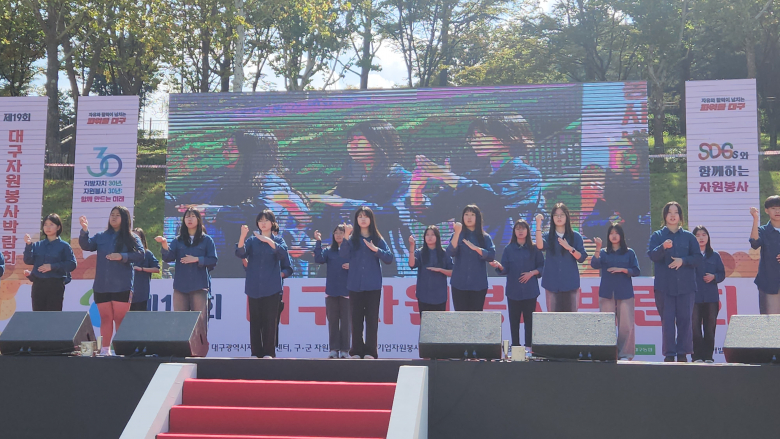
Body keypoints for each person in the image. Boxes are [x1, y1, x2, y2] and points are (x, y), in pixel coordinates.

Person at [412, 114, 544, 257]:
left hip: (509, 259)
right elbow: (434, 214)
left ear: (508, 137)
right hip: (470, 260)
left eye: (482, 136)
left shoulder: (528, 175)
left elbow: (492, 197)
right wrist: (416, 191)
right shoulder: (471, 176)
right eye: (472, 138)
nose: (475, 142)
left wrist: (445, 175)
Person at [315, 120, 414, 277]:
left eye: (360, 140)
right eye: (350, 141)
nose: (352, 145)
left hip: (387, 265)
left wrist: (344, 203)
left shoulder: (402, 177)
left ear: (379, 141)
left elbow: (392, 214)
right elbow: (326, 222)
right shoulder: (347, 182)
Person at [79, 207, 144, 355]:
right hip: (102, 285)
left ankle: (121, 349)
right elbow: (87, 245)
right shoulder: (101, 236)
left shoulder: (132, 237)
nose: (113, 217)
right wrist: (84, 230)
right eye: (112, 215)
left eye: (117, 215)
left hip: (122, 285)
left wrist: (122, 256)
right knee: (105, 318)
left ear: (125, 218)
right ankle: (105, 349)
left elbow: (141, 254)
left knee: (120, 318)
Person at [157, 207, 217, 357]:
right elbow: (168, 257)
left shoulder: (206, 240)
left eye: (192, 216)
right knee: (180, 320)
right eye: (187, 217)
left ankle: (200, 354)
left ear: (198, 219)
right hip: (181, 286)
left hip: (199, 286)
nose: (189, 219)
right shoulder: (178, 240)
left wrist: (197, 259)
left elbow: (213, 260)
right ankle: (181, 352)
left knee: (200, 322)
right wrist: (164, 244)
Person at [647, 202, 702, 362]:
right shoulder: (657, 236)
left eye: (676, 212)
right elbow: (652, 256)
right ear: (665, 216)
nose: (672, 215)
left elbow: (698, 258)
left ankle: (683, 354)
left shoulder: (689, 237)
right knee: (667, 322)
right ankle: (669, 355)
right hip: (664, 287)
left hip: (686, 286)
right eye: (669, 212)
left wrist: (682, 261)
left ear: (680, 216)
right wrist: (663, 247)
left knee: (685, 321)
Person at [236, 209, 292, 358]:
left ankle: (269, 352)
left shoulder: (279, 241)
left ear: (272, 223)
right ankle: (255, 352)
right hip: (254, 287)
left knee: (270, 321)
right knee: (255, 321)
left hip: (272, 288)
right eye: (260, 221)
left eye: (266, 220)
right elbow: (240, 253)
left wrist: (268, 241)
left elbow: (284, 257)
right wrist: (242, 236)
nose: (263, 223)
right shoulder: (252, 241)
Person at [340, 206, 394, 359]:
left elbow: (389, 258)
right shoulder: (352, 239)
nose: (363, 219)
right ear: (356, 220)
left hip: (373, 285)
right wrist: (346, 236)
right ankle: (356, 351)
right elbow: (343, 254)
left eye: (366, 216)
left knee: (371, 319)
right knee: (356, 319)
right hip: (355, 284)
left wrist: (376, 249)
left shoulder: (377, 238)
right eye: (360, 216)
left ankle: (371, 351)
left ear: (371, 219)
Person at [489, 220, 543, 348]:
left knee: (529, 321)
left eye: (523, 228)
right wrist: (499, 266)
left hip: (530, 291)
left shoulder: (534, 248)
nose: (520, 231)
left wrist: (531, 273)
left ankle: (529, 348)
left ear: (527, 231)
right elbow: (505, 269)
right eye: (517, 229)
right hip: (513, 291)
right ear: (514, 231)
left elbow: (542, 266)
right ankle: (515, 348)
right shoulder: (509, 249)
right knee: (514, 321)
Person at [591, 223, 640, 360]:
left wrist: (622, 270)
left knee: (626, 325)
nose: (613, 236)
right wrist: (597, 248)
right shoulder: (603, 252)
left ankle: (625, 354)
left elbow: (636, 270)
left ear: (621, 236)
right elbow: (594, 264)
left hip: (625, 293)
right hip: (607, 292)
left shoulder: (629, 252)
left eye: (616, 233)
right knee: (606, 325)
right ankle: (607, 353)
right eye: (611, 233)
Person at [535, 203, 587, 312]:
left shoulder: (575, 236)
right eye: (556, 215)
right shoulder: (548, 236)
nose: (559, 217)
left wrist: (569, 248)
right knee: (553, 319)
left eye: (562, 215)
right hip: (551, 283)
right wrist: (538, 224)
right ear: (552, 218)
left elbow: (581, 258)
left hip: (570, 283)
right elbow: (539, 246)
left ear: (567, 217)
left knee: (571, 318)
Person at [23, 213, 77, 311]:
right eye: (45, 224)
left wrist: (52, 266)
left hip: (55, 284)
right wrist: (28, 245)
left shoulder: (64, 246)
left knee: (53, 316)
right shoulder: (37, 245)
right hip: (38, 284)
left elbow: (72, 264)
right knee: (38, 315)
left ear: (58, 227)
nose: (48, 227)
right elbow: (28, 260)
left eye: (51, 224)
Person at [447, 204, 496, 311]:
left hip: (478, 284)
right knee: (461, 316)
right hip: (459, 283)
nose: (469, 217)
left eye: (472, 215)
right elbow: (450, 252)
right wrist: (457, 233)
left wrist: (476, 249)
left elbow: (491, 256)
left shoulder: (485, 237)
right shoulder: (457, 235)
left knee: (475, 317)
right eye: (466, 214)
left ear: (477, 217)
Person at [313, 224, 351, 359]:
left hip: (347, 292)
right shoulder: (329, 250)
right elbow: (318, 259)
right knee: (333, 322)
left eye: (341, 232)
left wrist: (352, 265)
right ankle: (334, 349)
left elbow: (361, 264)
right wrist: (318, 241)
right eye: (336, 233)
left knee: (346, 323)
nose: (339, 235)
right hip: (331, 291)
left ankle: (345, 350)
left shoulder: (351, 250)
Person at [692, 226, 725, 363]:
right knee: (694, 328)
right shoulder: (691, 256)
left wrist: (714, 277)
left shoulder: (714, 255)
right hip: (694, 297)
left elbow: (722, 273)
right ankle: (697, 356)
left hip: (711, 298)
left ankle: (708, 357)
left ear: (708, 237)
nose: (701, 238)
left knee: (710, 328)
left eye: (704, 234)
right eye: (697, 235)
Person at [408, 225, 453, 317]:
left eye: (432, 234)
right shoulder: (420, 252)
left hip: (440, 296)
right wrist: (412, 247)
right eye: (427, 235)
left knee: (438, 323)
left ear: (437, 237)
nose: (430, 237)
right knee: (425, 323)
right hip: (423, 295)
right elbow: (412, 264)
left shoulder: (444, 253)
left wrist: (440, 270)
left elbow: (452, 272)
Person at [749, 196, 780, 314]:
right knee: (771, 320)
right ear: (767, 210)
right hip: (769, 283)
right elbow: (754, 243)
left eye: (779, 208)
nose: (777, 211)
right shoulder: (763, 230)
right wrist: (755, 219)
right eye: (773, 208)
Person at [130, 228, 160, 311]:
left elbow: (157, 269)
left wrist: (142, 269)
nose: (134, 238)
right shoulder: (127, 253)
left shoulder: (147, 253)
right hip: (127, 294)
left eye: (137, 236)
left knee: (140, 316)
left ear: (142, 238)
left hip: (141, 293)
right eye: (132, 236)